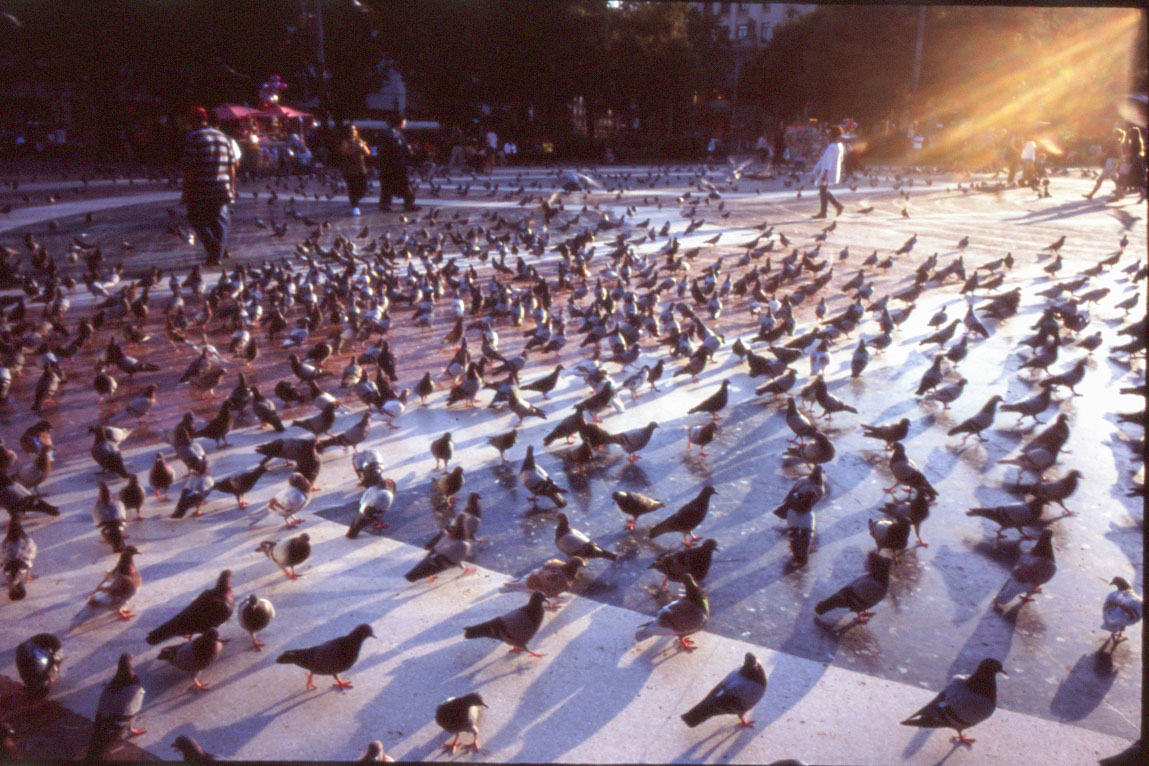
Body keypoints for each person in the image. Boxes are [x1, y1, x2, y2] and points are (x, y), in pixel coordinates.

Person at [181, 106, 238, 267]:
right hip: (223, 187)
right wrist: (232, 187)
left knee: (196, 219)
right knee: (220, 221)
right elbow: (232, 165)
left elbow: (189, 168)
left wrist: (186, 192)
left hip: (201, 188)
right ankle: (216, 256)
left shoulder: (193, 137)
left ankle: (214, 247)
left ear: (192, 121)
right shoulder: (223, 137)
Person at [375, 115, 417, 212]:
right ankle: (408, 204)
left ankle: (386, 204)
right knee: (403, 184)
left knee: (388, 185)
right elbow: (395, 148)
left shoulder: (394, 133)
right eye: (404, 122)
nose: (405, 124)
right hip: (394, 164)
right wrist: (407, 149)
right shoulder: (393, 134)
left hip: (390, 164)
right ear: (401, 122)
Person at [810, 125, 845, 219]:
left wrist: (824, 174)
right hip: (833, 170)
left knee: (823, 189)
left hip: (828, 171)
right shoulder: (839, 146)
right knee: (823, 190)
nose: (828, 135)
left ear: (832, 134)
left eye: (829, 133)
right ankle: (837, 206)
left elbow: (828, 161)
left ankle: (824, 212)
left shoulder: (831, 148)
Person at [339, 124, 371, 216]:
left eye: (354, 129)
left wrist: (364, 147)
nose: (353, 131)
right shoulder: (345, 142)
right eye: (350, 130)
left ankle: (356, 201)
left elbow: (368, 153)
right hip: (350, 169)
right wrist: (357, 147)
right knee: (352, 188)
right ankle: (355, 206)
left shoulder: (359, 141)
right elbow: (345, 153)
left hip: (361, 168)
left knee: (363, 188)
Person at [1083, 129, 1124, 200]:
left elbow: (1120, 156)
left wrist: (1117, 162)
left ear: (1117, 135)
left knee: (1101, 179)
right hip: (1110, 162)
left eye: (1114, 134)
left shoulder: (1117, 143)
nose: (1112, 135)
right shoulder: (1113, 143)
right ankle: (1120, 194)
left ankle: (1091, 194)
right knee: (1114, 179)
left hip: (1111, 162)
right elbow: (1107, 153)